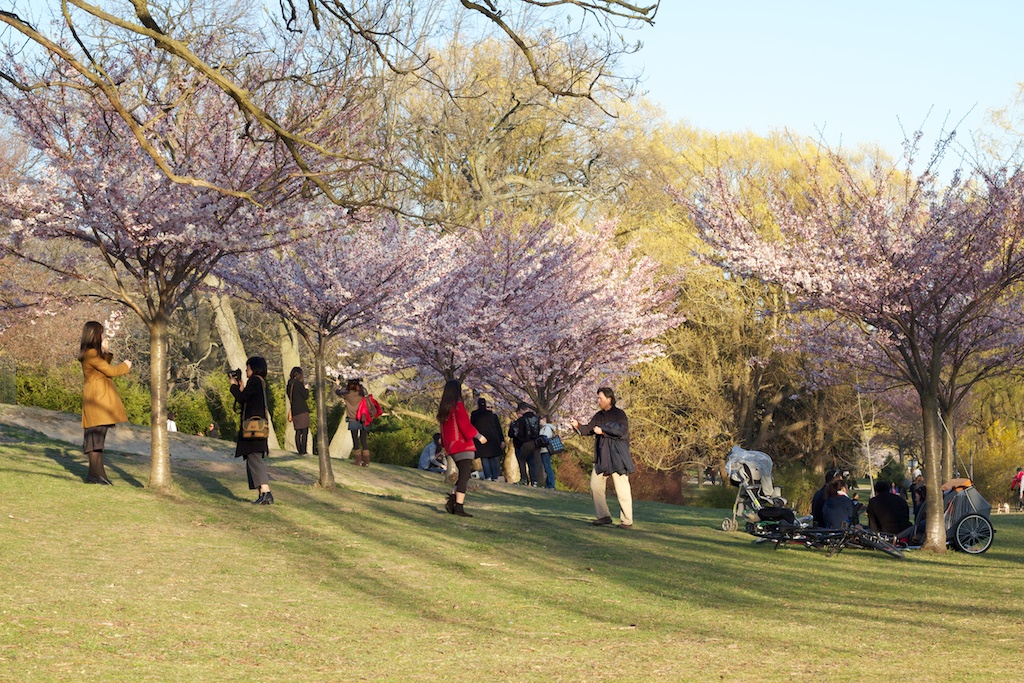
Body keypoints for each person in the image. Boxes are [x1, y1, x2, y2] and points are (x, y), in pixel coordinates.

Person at [571, 387, 634, 529]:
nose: (598, 400)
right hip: (602, 458)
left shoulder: (620, 414)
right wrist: (577, 426)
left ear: (609, 399)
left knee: (622, 490)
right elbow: (588, 430)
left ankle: (626, 521)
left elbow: (622, 431)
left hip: (617, 457)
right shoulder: (598, 415)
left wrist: (604, 431)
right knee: (595, 487)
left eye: (600, 398)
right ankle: (603, 516)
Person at [78, 321, 132, 485]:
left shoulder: (91, 353)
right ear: (95, 334)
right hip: (98, 401)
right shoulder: (92, 353)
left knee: (97, 441)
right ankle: (95, 476)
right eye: (100, 333)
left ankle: (97, 476)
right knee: (95, 441)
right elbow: (110, 371)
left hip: (97, 400)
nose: (102, 336)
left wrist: (106, 351)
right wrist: (126, 366)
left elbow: (102, 369)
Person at [437, 380, 487, 517]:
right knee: (465, 476)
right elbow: (464, 425)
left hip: (452, 447)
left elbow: (443, 431)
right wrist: (478, 436)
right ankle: (458, 506)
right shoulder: (457, 406)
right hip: (462, 445)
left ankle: (453, 501)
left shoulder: (444, 409)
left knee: (464, 476)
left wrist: (446, 445)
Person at [230, 356, 274, 505]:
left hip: (253, 430)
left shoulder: (255, 380)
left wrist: (233, 386)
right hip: (257, 429)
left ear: (254, 368)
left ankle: (266, 492)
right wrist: (241, 387)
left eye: (248, 367)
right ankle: (262, 494)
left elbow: (243, 399)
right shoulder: (261, 382)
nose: (246, 370)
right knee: (253, 459)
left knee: (255, 459)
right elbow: (248, 399)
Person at [336, 378, 371, 466]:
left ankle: (358, 460)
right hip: (363, 418)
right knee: (364, 440)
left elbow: (337, 392)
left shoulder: (347, 394)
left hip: (353, 418)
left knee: (355, 440)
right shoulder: (362, 392)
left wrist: (338, 385)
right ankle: (366, 461)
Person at [470, 398, 505, 481]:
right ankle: (495, 476)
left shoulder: (474, 415)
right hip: (493, 439)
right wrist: (501, 439)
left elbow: (471, 427)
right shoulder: (492, 415)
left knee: (484, 458)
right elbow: (498, 428)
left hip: (480, 439)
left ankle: (488, 476)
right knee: (492, 458)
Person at [508, 402, 541, 486]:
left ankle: (524, 479)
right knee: (531, 463)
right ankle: (534, 481)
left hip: (523, 444)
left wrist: (517, 434)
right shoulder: (536, 418)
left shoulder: (521, 420)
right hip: (534, 443)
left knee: (522, 461)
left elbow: (521, 434)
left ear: (521, 410)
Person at [286, 366, 311, 456]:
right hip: (302, 410)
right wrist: (306, 389)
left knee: (297, 431)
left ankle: (299, 450)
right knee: (304, 431)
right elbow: (305, 396)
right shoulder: (298, 384)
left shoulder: (289, 385)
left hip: (294, 410)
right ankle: (303, 451)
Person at [538, 416, 557, 489]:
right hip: (544, 450)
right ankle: (548, 484)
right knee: (546, 467)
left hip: (545, 450)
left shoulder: (547, 428)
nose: (539, 421)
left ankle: (551, 484)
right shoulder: (545, 428)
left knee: (547, 467)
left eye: (541, 419)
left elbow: (545, 438)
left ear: (545, 419)